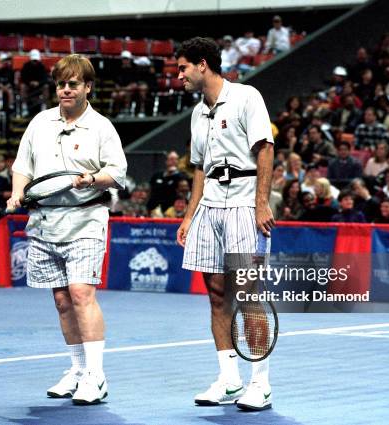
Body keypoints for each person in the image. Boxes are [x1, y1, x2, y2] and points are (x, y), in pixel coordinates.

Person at [9, 54, 127, 405]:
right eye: (61, 84)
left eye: (73, 84)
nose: (65, 89)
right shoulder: (40, 123)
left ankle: (96, 375)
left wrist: (93, 178)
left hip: (86, 218)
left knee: (80, 293)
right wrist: (17, 194)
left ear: (88, 87)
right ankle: (77, 370)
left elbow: (117, 171)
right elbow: (22, 167)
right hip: (45, 221)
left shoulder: (102, 127)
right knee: (62, 300)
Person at [175, 37, 275, 411]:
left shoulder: (247, 97)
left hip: (245, 203)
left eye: (183, 68)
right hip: (210, 207)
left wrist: (260, 203)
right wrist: (189, 215)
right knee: (217, 296)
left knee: (248, 295)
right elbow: (200, 168)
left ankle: (260, 383)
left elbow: (265, 148)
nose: (179, 76)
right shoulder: (197, 112)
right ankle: (229, 379)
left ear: (203, 64)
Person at [20, 49, 49, 116]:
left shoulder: (41, 66)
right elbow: (23, 78)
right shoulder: (26, 66)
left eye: (36, 60)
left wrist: (38, 83)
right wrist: (30, 82)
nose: (35, 62)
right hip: (28, 85)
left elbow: (45, 79)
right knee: (22, 86)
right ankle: (24, 107)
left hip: (39, 86)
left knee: (46, 87)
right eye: (34, 60)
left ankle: (43, 107)